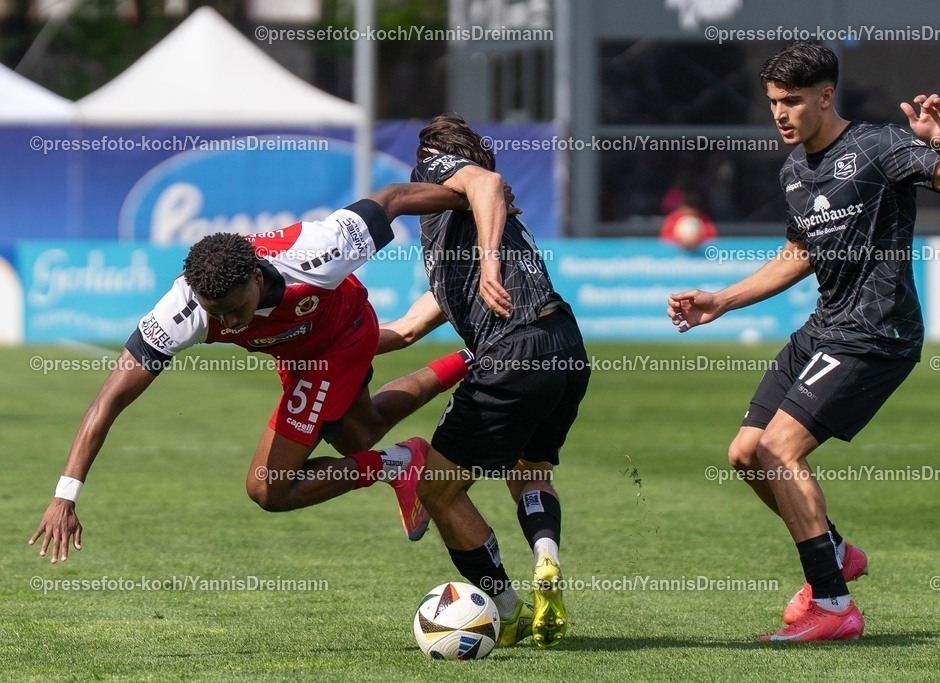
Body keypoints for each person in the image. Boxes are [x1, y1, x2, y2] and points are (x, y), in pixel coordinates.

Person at [667, 42, 940, 642]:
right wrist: (721, 300)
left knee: (778, 451)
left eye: (791, 102)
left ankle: (834, 606)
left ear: (825, 96)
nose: (780, 114)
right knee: (744, 453)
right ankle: (834, 550)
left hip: (876, 330)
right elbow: (800, 254)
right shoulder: (793, 169)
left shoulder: (880, 147)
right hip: (827, 324)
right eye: (772, 103)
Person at [29, 182, 490, 564]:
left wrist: (471, 199)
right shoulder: (183, 310)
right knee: (358, 434)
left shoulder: (316, 252)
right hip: (297, 349)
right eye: (218, 316)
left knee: (269, 488)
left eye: (235, 311)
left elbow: (393, 200)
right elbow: (107, 400)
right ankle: (466, 368)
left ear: (255, 277)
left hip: (340, 338)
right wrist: (65, 494)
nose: (229, 325)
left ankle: (402, 463)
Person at [381, 114, 591, 649]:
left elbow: (486, 184)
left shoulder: (436, 168)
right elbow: (404, 330)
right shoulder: (455, 246)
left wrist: (491, 263)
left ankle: (506, 607)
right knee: (532, 467)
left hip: (514, 351)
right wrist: (318, 342)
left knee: (437, 489)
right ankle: (546, 556)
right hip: (564, 345)